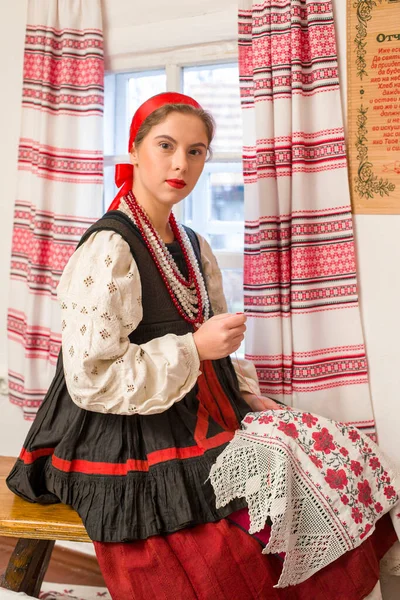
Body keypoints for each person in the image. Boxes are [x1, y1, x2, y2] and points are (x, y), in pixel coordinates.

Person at [6, 93, 396, 600]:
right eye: (165, 145)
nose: (179, 164)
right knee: (224, 546)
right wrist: (194, 347)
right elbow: (91, 377)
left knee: (319, 462)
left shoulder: (190, 243)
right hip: (118, 428)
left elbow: (212, 344)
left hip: (194, 404)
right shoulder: (109, 249)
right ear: (135, 149)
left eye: (196, 151)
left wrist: (242, 390)